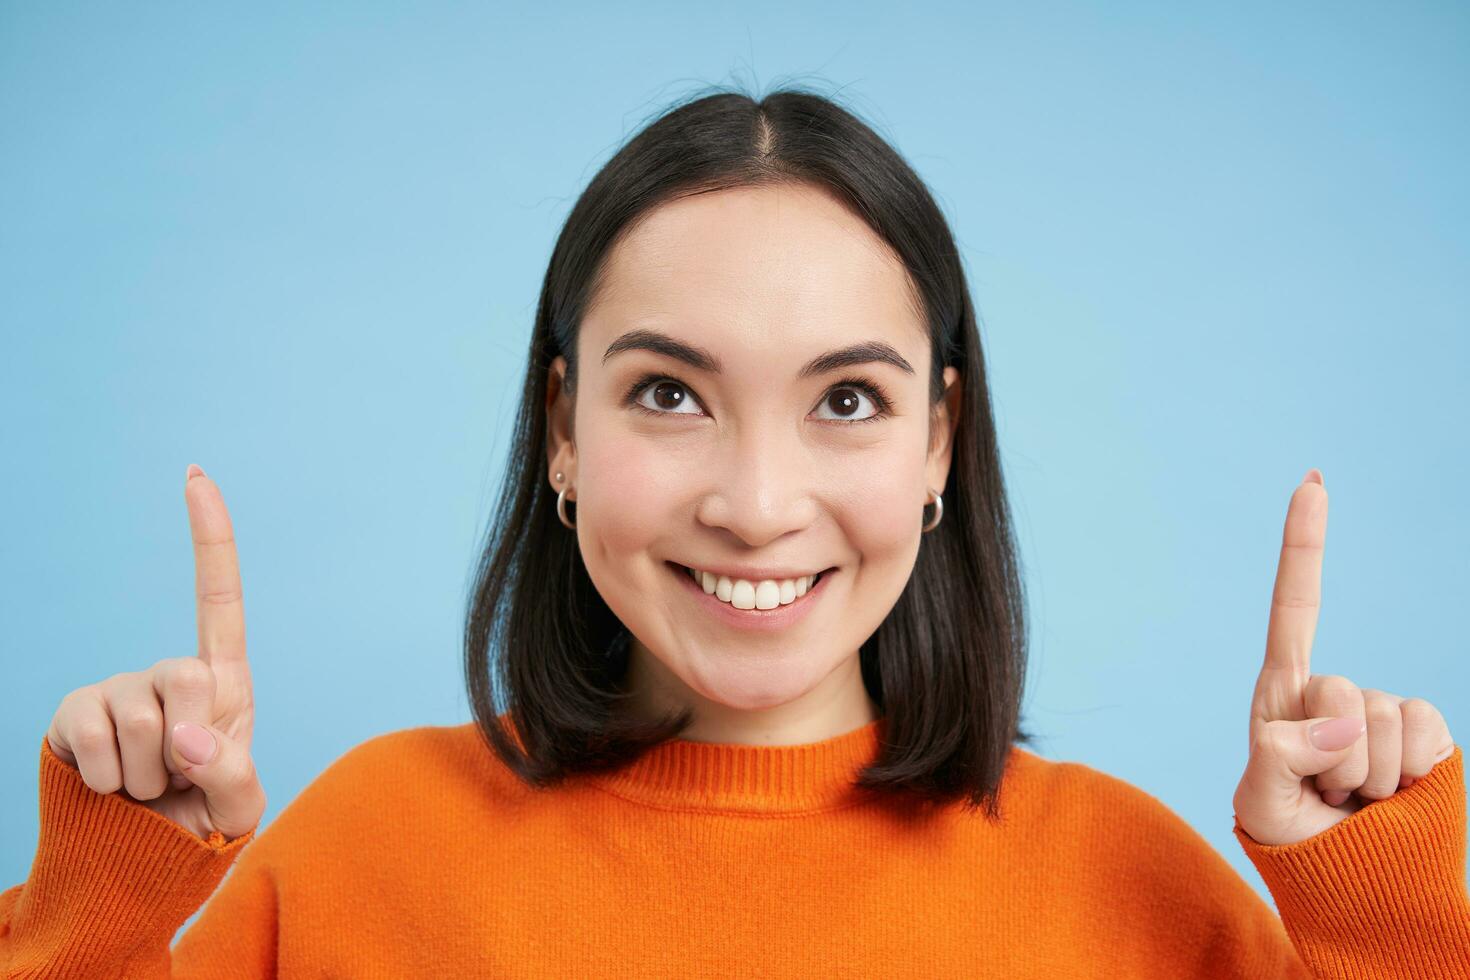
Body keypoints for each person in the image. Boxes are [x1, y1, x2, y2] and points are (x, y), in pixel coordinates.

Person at [3, 87, 1465, 979]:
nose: (758, 503)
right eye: (667, 393)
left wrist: (1382, 925)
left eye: (844, 399)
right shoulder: (361, 855)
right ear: (563, 430)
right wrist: (105, 898)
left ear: (939, 438)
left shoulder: (1135, 889)